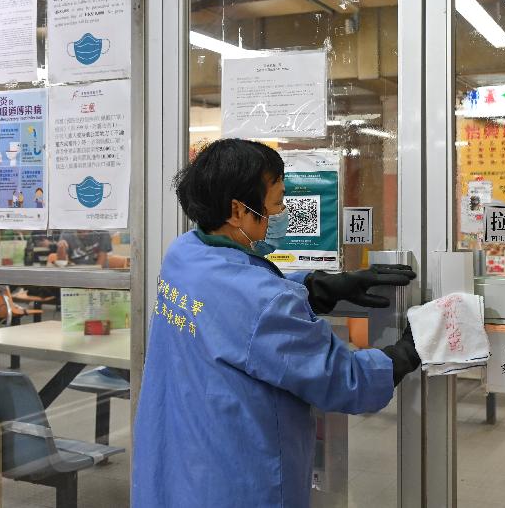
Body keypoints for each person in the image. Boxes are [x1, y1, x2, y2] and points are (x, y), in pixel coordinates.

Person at [132, 139, 421, 508]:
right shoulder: (265, 302)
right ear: (238, 210)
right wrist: (405, 354)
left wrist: (314, 286)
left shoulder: (184, 254)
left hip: (182, 455)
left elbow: (235, 295)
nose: (283, 211)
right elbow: (343, 381)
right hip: (238, 477)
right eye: (277, 200)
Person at [48, 230, 113, 267]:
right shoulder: (66, 233)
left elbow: (102, 259)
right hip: (75, 273)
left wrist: (92, 276)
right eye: (79, 232)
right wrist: (61, 248)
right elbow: (62, 262)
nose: (83, 233)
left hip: (98, 273)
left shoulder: (102, 232)